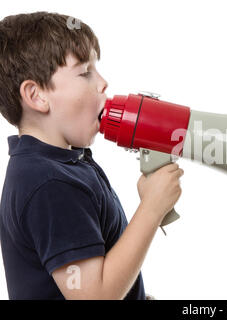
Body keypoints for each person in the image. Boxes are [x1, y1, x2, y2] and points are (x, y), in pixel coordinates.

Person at [0, 11, 183, 299]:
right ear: (37, 96)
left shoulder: (66, 162)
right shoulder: (49, 184)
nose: (103, 83)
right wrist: (151, 209)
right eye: (85, 72)